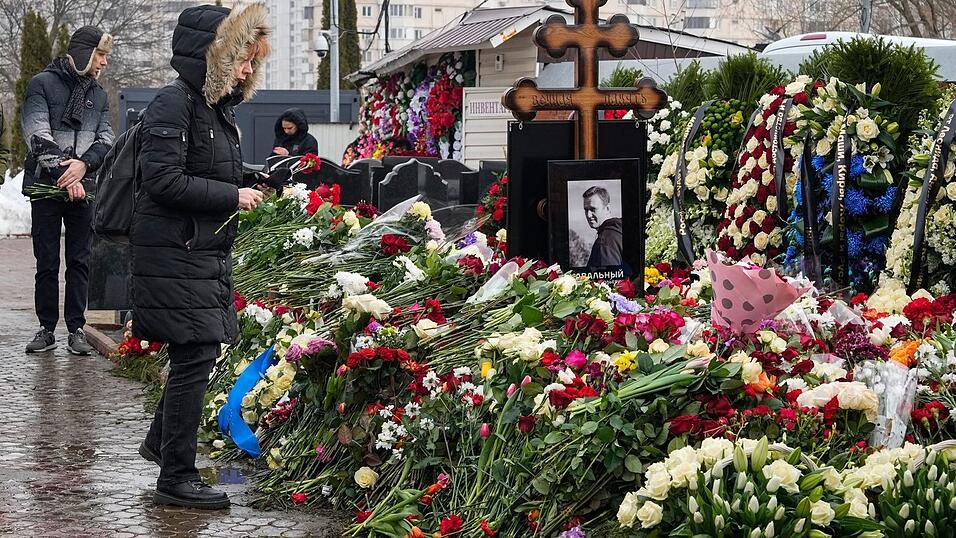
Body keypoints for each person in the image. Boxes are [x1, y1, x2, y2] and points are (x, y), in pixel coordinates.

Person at [131, 3, 270, 509]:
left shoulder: (212, 109)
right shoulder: (175, 103)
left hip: (197, 250)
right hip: (174, 250)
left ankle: (160, 442)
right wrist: (233, 196)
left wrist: (251, 178)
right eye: (242, 60)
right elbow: (163, 180)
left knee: (198, 351)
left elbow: (206, 170)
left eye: (252, 62)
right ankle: (176, 476)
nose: (248, 70)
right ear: (214, 56)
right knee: (195, 353)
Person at [21, 26, 114, 355]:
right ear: (85, 52)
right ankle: (46, 328)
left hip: (83, 189)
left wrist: (84, 167)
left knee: (79, 261)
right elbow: (36, 133)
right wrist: (67, 174)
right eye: (100, 55)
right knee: (46, 261)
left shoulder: (99, 95)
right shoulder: (41, 84)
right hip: (47, 188)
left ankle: (76, 327)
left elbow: (106, 139)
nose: (103, 63)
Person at [583, 185, 623, 267]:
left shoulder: (605, 241)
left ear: (607, 208)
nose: (588, 215)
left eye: (593, 209)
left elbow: (609, 277)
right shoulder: (619, 231)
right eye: (586, 210)